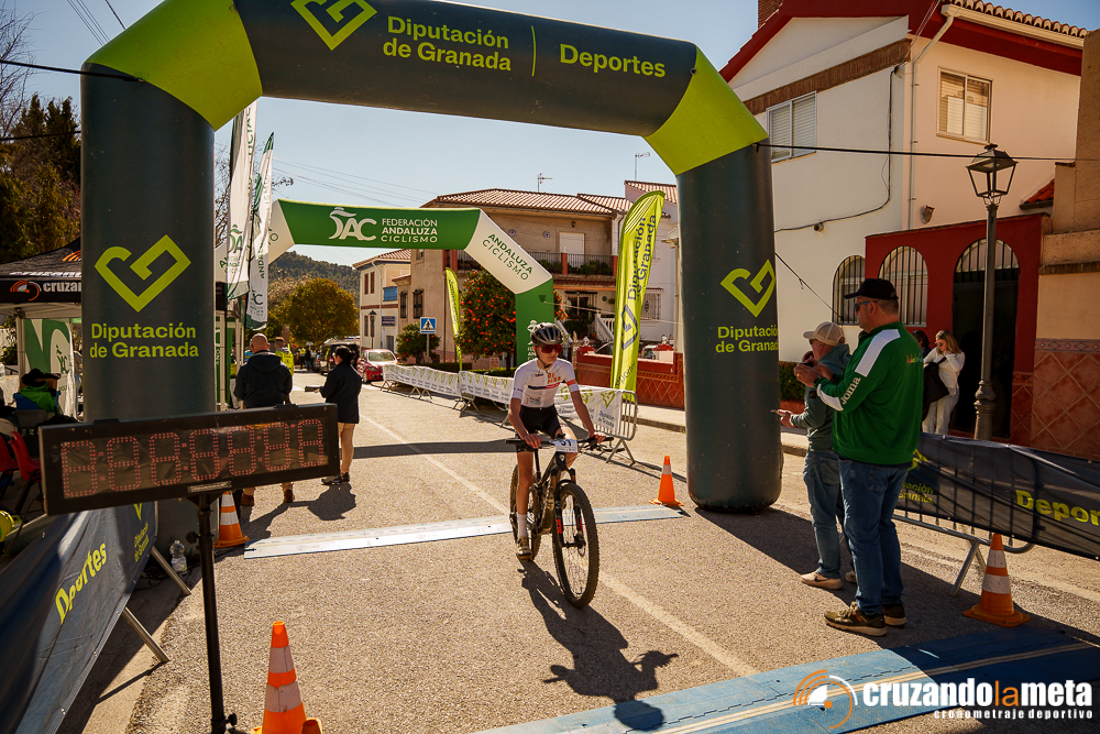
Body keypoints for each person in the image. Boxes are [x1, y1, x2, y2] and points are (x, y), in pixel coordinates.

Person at [794, 278, 922, 637]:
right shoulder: (907, 342)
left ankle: (868, 611)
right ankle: (891, 605)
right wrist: (831, 376)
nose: (855, 314)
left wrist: (816, 383)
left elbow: (844, 399)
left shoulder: (877, 343)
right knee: (882, 527)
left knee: (861, 532)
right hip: (895, 452)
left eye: (857, 306)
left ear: (872, 307)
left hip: (866, 454)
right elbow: (871, 389)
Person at [508, 322, 603, 561]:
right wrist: (525, 434)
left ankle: (552, 488)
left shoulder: (565, 367)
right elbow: (512, 412)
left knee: (572, 447)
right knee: (526, 477)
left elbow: (578, 402)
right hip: (525, 419)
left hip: (549, 415)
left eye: (557, 347)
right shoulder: (524, 371)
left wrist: (592, 432)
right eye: (547, 348)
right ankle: (522, 535)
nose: (553, 352)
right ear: (536, 349)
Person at [777, 322, 851, 590]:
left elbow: (815, 418)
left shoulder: (816, 374)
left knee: (823, 516)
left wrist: (791, 420)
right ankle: (858, 569)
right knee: (847, 514)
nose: (810, 347)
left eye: (812, 342)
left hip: (822, 450)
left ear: (820, 345)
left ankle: (829, 571)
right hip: (847, 450)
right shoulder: (850, 367)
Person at [234, 334, 295, 506]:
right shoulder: (281, 367)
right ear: (268, 346)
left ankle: (248, 494)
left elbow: (238, 394)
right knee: (280, 453)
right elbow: (287, 389)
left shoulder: (245, 369)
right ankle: (287, 490)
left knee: (251, 455)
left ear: (252, 348)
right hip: (276, 416)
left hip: (253, 417)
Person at [319, 346, 362, 485]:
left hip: (335, 414)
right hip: (350, 414)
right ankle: (345, 471)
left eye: (334, 355)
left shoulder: (334, 373)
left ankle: (333, 474)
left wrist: (321, 389)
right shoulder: (356, 375)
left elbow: (327, 392)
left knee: (331, 445)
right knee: (347, 444)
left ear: (339, 357)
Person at [922, 330, 965, 436]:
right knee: (928, 419)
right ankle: (928, 441)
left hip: (948, 391)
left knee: (942, 420)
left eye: (941, 344)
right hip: (934, 390)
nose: (938, 346)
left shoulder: (959, 355)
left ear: (949, 342)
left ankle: (939, 443)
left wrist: (949, 355)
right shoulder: (936, 352)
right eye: (937, 343)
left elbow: (957, 368)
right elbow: (924, 363)